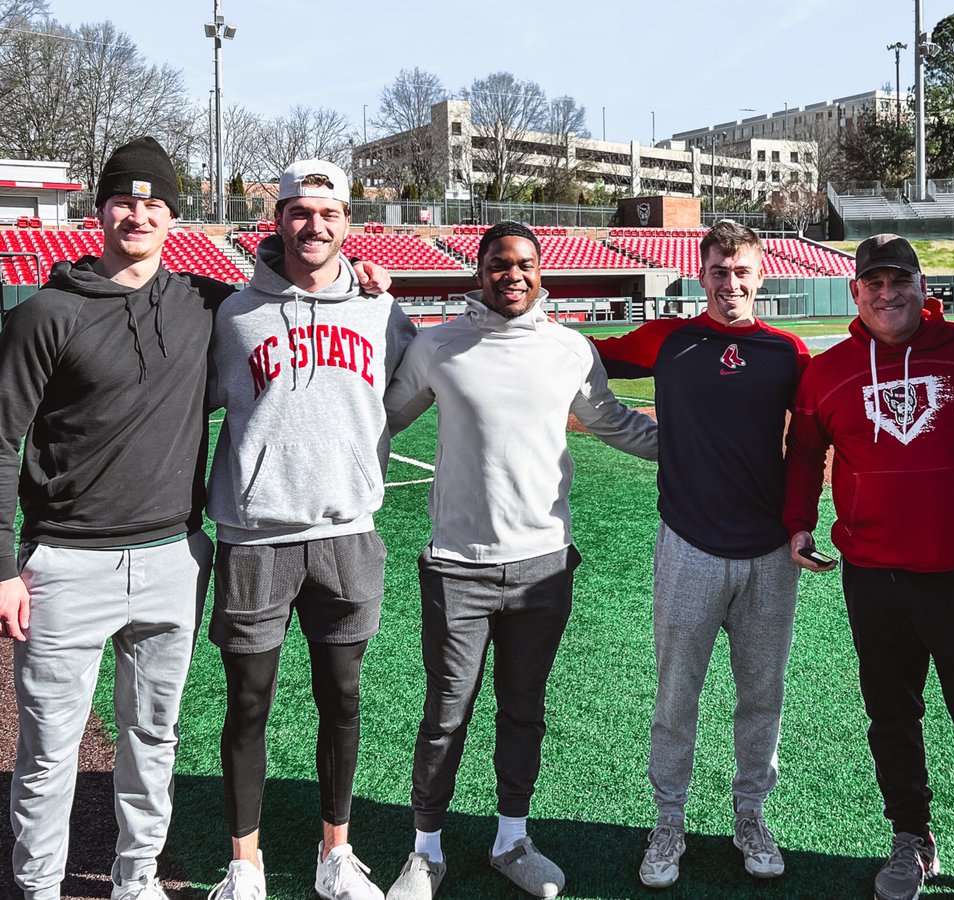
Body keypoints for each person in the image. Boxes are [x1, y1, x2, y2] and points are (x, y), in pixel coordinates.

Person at [383, 221, 657, 900]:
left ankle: (512, 839)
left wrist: (706, 450)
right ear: (479, 272)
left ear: (542, 272)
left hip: (543, 566)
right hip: (456, 566)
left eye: (525, 264)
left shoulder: (569, 349)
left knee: (523, 710)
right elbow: (380, 418)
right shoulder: (438, 346)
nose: (513, 275)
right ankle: (425, 852)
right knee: (446, 714)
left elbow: (614, 422)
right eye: (499, 264)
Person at [0, 136, 230, 900]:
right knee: (47, 752)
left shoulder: (204, 302)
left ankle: (136, 880)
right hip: (67, 565)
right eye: (125, 199)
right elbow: (1, 443)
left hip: (173, 560)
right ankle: (37, 888)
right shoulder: (43, 316)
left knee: (153, 738)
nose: (139, 212)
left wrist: (366, 278)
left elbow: (297, 283)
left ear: (173, 216)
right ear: (100, 210)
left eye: (155, 202)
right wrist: (4, 568)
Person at [784, 234, 954, 900]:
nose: (887, 294)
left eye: (900, 282)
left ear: (925, 287)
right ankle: (911, 839)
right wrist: (800, 522)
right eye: (875, 284)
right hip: (874, 576)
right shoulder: (828, 371)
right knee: (892, 717)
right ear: (855, 293)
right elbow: (805, 453)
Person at [203, 159, 416, 900]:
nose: (314, 225)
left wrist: (364, 457)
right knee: (248, 704)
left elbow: (421, 386)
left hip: (347, 533)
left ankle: (335, 853)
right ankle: (245, 864)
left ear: (348, 224)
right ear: (279, 219)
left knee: (343, 700)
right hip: (255, 537)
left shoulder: (385, 312)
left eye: (329, 213)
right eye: (300, 211)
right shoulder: (234, 317)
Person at [592, 220, 809, 888]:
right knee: (675, 696)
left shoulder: (789, 352)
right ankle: (668, 823)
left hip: (770, 554)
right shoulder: (668, 338)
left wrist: (802, 523)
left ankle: (751, 815)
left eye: (742, 271)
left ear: (761, 275)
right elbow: (585, 355)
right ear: (701, 272)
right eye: (719, 270)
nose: (731, 283)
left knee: (761, 696)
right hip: (687, 544)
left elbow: (808, 448)